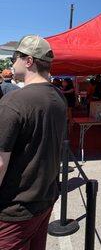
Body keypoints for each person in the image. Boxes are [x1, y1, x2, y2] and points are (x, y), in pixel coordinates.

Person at [0, 35, 67, 250]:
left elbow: (0, 163)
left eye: (15, 57)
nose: (12, 62)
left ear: (29, 61)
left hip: (15, 210)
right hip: (44, 199)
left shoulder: (13, 101)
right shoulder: (58, 97)